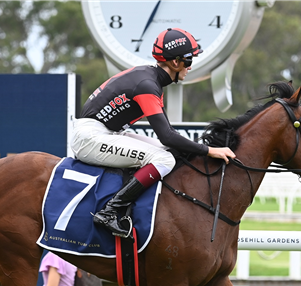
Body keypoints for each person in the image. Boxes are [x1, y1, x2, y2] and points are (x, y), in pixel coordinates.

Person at [71, 27, 236, 238]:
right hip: (90, 137)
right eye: (189, 60)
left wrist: (198, 150)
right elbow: (167, 136)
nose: (190, 67)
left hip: (103, 133)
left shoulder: (150, 79)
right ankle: (110, 210)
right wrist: (209, 150)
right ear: (175, 62)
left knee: (169, 153)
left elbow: (168, 136)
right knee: (165, 160)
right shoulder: (148, 85)